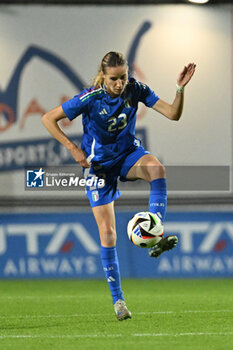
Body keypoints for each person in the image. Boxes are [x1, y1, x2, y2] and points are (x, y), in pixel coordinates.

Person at [42, 51, 196, 321]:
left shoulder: (135, 89)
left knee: (157, 168)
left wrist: (180, 88)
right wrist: (73, 148)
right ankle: (119, 302)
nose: (120, 83)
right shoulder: (89, 98)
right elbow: (47, 118)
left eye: (123, 77)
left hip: (126, 156)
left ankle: (154, 232)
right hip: (99, 167)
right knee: (108, 232)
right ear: (104, 76)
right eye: (114, 78)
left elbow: (172, 114)